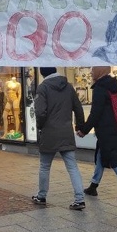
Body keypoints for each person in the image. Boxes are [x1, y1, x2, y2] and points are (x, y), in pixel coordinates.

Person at [78, 66, 117, 202]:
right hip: (113, 128)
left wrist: (84, 130)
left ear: (100, 71)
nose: (91, 72)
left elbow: (95, 114)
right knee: (101, 156)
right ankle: (93, 186)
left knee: (114, 160)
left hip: (106, 130)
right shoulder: (112, 86)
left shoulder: (100, 88)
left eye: (94, 70)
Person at [32, 66, 87, 210]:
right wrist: (79, 126)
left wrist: (40, 126)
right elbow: (78, 108)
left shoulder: (42, 88)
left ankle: (42, 196)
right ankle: (79, 199)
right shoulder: (68, 87)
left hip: (49, 134)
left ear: (42, 72)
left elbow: (40, 112)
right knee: (72, 167)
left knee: (44, 166)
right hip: (66, 133)